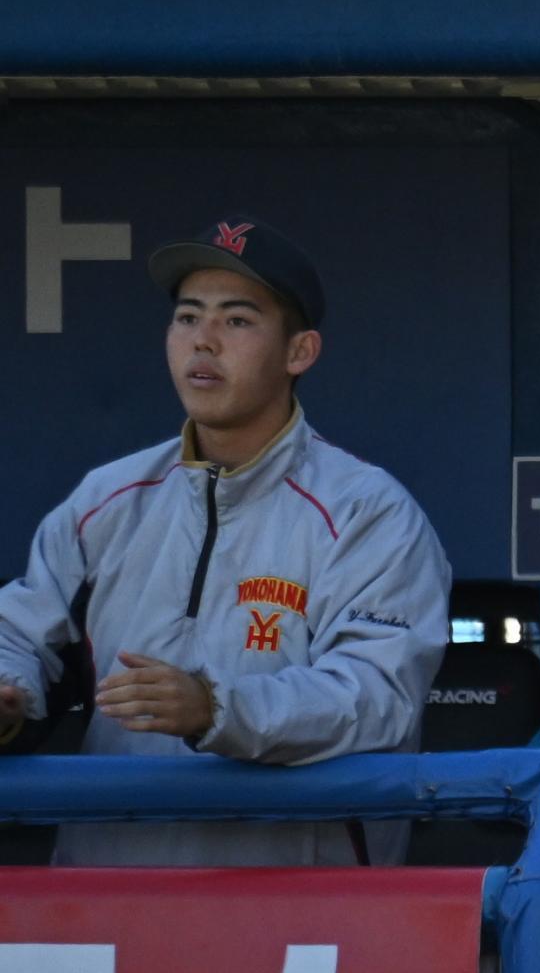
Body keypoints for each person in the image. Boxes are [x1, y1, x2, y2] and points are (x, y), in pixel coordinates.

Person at [0, 216, 451, 866]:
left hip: (295, 919)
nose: (203, 341)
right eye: (188, 317)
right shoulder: (108, 498)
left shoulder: (367, 511)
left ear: (299, 352)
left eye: (237, 320)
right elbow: (23, 627)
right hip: (108, 899)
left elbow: (376, 698)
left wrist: (216, 705)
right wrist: (9, 692)